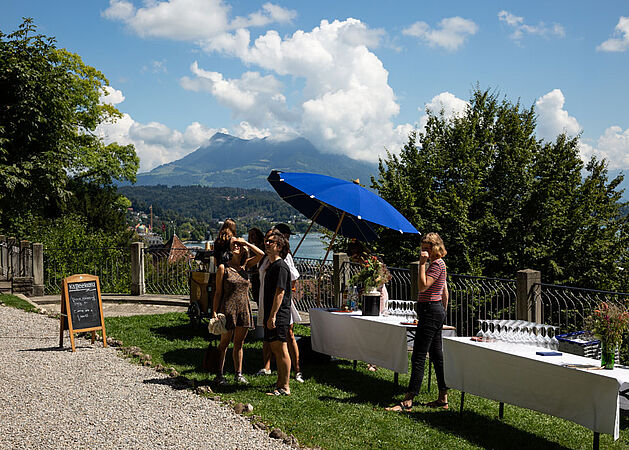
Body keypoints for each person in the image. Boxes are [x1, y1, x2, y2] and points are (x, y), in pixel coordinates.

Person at [386, 232, 449, 411]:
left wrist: (421, 264)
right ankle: (443, 398)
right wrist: (442, 312)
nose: (423, 252)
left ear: (435, 248)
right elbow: (445, 293)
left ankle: (408, 401)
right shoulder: (440, 265)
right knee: (437, 356)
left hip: (430, 311)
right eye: (422, 249)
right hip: (434, 310)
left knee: (419, 355)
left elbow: (422, 286)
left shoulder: (436, 265)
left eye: (426, 249)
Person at [212, 236, 264, 385]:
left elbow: (261, 254)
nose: (236, 246)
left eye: (238, 244)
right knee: (224, 344)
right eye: (233, 244)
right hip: (228, 309)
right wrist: (214, 312)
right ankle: (219, 374)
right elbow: (218, 292)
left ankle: (238, 374)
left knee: (239, 343)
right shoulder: (224, 268)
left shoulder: (245, 266)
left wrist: (246, 243)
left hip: (243, 309)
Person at [347, 240, 389, 371]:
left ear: (358, 254)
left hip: (379, 296)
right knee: (369, 328)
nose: (355, 261)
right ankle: (370, 360)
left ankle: (375, 362)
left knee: (376, 327)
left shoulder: (375, 262)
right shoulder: (366, 264)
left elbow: (382, 279)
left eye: (355, 258)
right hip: (369, 296)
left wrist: (369, 286)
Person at [263, 230, 293, 396]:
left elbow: (280, 292)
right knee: (276, 348)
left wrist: (273, 315)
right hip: (272, 313)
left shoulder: (281, 266)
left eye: (271, 242)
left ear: (279, 246)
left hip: (279, 314)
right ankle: (280, 383)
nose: (267, 243)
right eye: (267, 241)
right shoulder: (272, 265)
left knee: (281, 350)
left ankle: (285, 386)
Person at [247, 227, 265, 304]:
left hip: (261, 273)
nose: (251, 237)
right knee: (256, 294)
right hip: (254, 274)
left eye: (253, 235)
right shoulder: (251, 247)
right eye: (250, 235)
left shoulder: (263, 246)